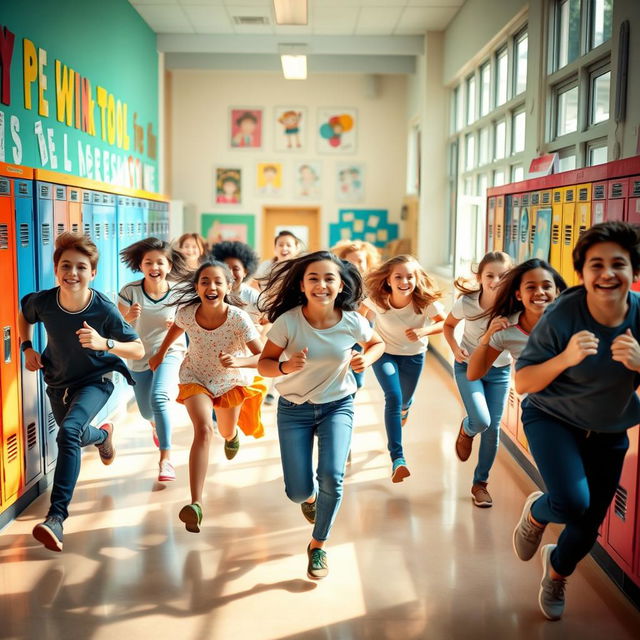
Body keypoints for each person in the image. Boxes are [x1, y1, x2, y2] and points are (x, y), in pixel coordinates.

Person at [512, 222, 640, 621]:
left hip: (609, 429)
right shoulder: (565, 312)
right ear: (582, 273)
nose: (606, 273)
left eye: (617, 263)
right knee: (570, 501)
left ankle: (556, 572)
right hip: (552, 419)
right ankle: (537, 512)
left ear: (633, 271)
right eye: (595, 264)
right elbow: (524, 381)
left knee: (587, 527)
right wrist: (565, 358)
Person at [257, 251, 384, 580]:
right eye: (313, 278)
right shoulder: (288, 321)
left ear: (341, 285)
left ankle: (318, 545)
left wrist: (365, 360)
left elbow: (377, 343)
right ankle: (309, 497)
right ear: (302, 285)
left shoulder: (353, 320)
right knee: (298, 491)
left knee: (332, 476)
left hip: (337, 405)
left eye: (329, 278)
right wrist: (286, 366)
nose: (321, 285)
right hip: (294, 410)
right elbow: (264, 364)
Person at [19, 232, 144, 552]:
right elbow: (25, 314)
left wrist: (106, 344)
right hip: (57, 382)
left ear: (92, 273)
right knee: (72, 433)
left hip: (95, 380)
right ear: (56, 268)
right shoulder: (44, 301)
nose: (72, 273)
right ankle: (102, 437)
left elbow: (138, 349)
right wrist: (27, 346)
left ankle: (55, 518)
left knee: (69, 432)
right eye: (65, 266)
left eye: (80, 267)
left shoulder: (101, 307)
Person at [149, 261, 266, 534]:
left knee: (224, 431)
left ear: (228, 287)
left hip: (229, 382)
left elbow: (262, 356)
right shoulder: (188, 312)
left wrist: (238, 361)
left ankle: (232, 435)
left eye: (217, 282)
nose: (210, 287)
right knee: (203, 430)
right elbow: (176, 329)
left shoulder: (238, 317)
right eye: (204, 281)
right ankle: (196, 503)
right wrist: (160, 353)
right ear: (196, 287)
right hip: (195, 377)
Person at [362, 255, 445, 482]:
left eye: (410, 276)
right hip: (384, 353)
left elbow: (445, 323)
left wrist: (422, 332)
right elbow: (358, 322)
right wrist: (361, 345)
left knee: (404, 401)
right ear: (388, 280)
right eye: (398, 276)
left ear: (417, 279)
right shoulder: (377, 299)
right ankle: (398, 459)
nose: (405, 281)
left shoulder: (424, 301)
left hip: (413, 356)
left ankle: (407, 407)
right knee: (394, 397)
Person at [443, 251, 512, 508]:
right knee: (481, 421)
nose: (496, 281)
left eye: (503, 276)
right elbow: (448, 326)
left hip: (500, 371)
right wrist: (454, 348)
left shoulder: (514, 305)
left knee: (493, 428)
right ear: (480, 277)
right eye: (490, 275)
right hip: (468, 367)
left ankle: (480, 484)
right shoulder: (467, 303)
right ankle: (467, 428)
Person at [118, 237, 190, 482]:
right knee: (146, 411)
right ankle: (154, 425)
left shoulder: (179, 293)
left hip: (170, 352)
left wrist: (178, 327)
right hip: (138, 355)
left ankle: (166, 460)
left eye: (160, 262)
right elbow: (117, 328)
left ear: (169, 266)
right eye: (148, 262)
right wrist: (128, 317)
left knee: (160, 397)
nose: (154, 267)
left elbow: (190, 324)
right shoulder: (130, 292)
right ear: (140, 266)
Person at [466, 259, 566, 382]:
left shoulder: (570, 324)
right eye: (531, 287)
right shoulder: (506, 329)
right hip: (531, 399)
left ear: (557, 292)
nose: (540, 292)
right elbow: (473, 374)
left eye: (546, 286)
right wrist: (487, 337)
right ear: (519, 295)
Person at [254, 230, 303, 405]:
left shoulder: (300, 268)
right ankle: (260, 386)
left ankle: (274, 390)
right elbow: (258, 288)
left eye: (289, 244)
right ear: (274, 248)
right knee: (265, 349)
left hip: (291, 314)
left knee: (286, 350)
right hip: (269, 313)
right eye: (280, 245)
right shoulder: (267, 266)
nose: (284, 248)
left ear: (297, 248)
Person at [332, 240, 381, 391]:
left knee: (357, 380)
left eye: (360, 261)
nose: (355, 265)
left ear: (368, 263)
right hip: (339, 329)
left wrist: (363, 310)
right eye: (350, 262)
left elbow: (368, 320)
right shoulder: (337, 284)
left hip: (361, 330)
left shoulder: (372, 287)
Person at [209, 240, 261, 327]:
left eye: (236, 269)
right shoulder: (210, 294)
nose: (230, 274)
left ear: (245, 272)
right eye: (226, 268)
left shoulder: (254, 297)